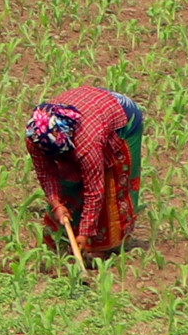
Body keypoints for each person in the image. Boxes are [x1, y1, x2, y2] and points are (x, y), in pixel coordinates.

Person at [24, 86, 147, 264]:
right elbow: (46, 174)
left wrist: (85, 234)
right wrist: (56, 203)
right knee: (67, 179)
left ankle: (102, 246)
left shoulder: (86, 144)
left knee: (112, 183)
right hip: (92, 107)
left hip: (123, 118)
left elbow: (94, 190)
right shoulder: (35, 136)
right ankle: (61, 237)